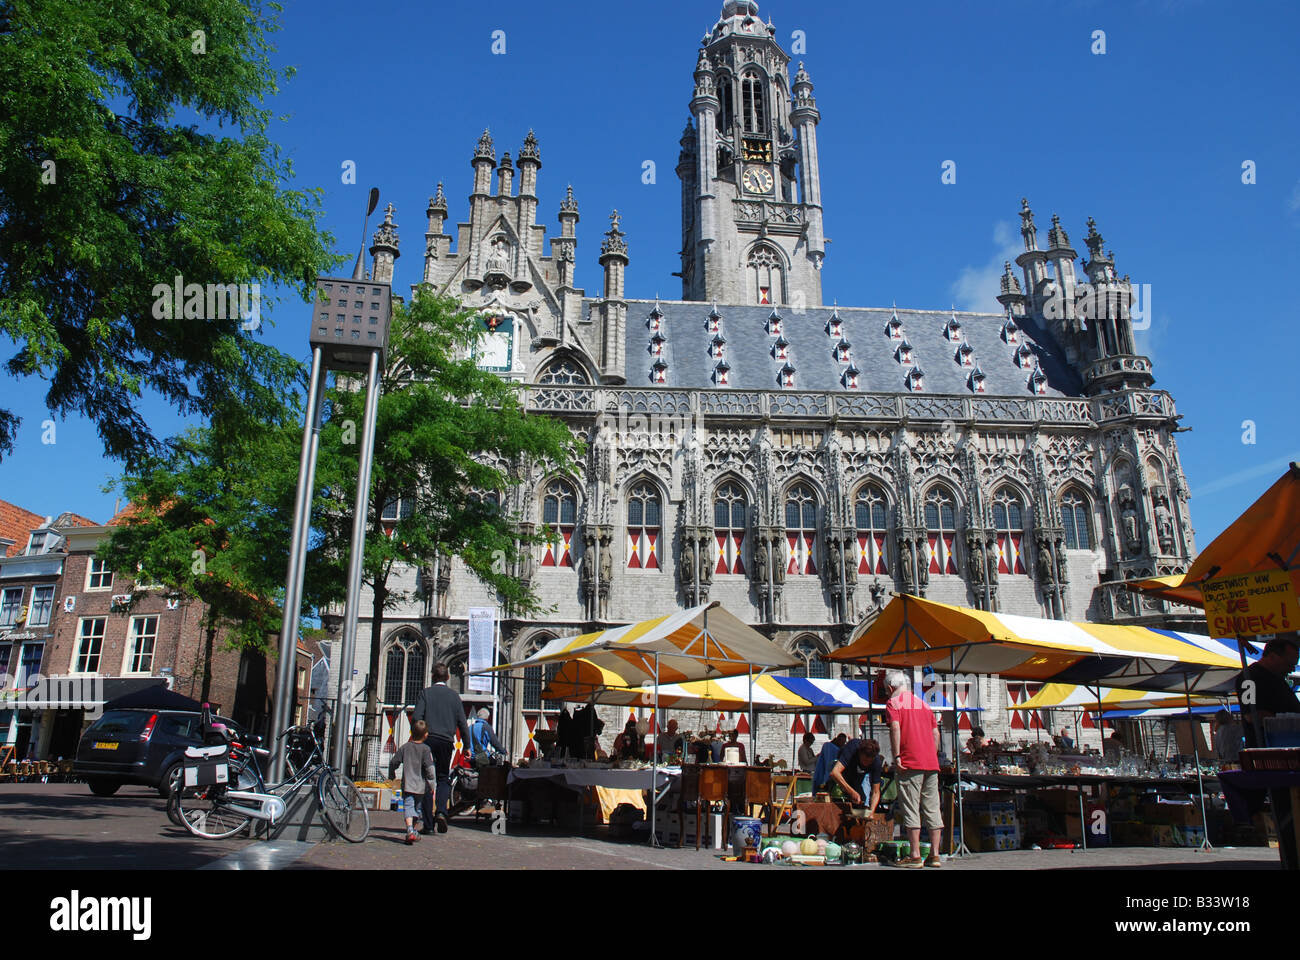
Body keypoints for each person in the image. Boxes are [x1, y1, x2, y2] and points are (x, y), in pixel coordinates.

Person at [886, 670, 943, 868]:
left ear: (891, 688)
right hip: (931, 763)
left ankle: (915, 855)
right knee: (932, 808)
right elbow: (936, 733)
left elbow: (895, 727)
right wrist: (931, 754)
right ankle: (935, 855)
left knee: (911, 808)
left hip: (910, 763)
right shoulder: (925, 705)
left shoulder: (894, 703)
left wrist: (897, 756)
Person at [412, 663, 473, 834]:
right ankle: (441, 811)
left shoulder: (425, 693)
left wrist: (417, 736)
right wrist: (467, 746)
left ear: (432, 677)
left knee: (425, 779)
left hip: (427, 740)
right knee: (443, 778)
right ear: (448, 678)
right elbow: (463, 723)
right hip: (446, 741)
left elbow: (417, 717)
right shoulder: (454, 697)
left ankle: (429, 824)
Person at [1235, 636, 1300, 747]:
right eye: (1289, 664)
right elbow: (1252, 715)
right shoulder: (1249, 678)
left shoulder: (1278, 677)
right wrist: (1290, 722)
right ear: (1272, 657)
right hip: (1269, 748)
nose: (1291, 669)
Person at [388, 720, 438, 845]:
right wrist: (432, 784)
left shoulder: (405, 747)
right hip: (421, 787)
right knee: (417, 809)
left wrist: (392, 773)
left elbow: (394, 762)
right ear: (426, 735)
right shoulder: (426, 750)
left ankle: (411, 830)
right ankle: (412, 830)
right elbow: (430, 769)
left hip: (408, 785)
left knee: (409, 807)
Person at [828, 738, 884, 816]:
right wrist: (851, 791)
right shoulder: (852, 748)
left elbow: (876, 791)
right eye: (864, 760)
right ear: (860, 754)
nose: (866, 764)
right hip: (844, 771)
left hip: (860, 775)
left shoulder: (876, 762)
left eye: (869, 761)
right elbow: (834, 773)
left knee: (861, 800)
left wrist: (871, 812)